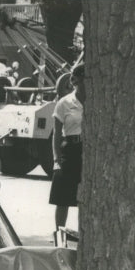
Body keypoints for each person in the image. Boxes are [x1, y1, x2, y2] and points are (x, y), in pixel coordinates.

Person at [49, 63, 85, 229]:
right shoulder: (64, 103)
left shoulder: (98, 101)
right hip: (69, 150)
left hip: (87, 152)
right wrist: (56, 160)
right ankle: (59, 233)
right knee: (62, 198)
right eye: (83, 80)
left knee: (84, 199)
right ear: (75, 81)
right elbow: (56, 133)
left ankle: (83, 236)